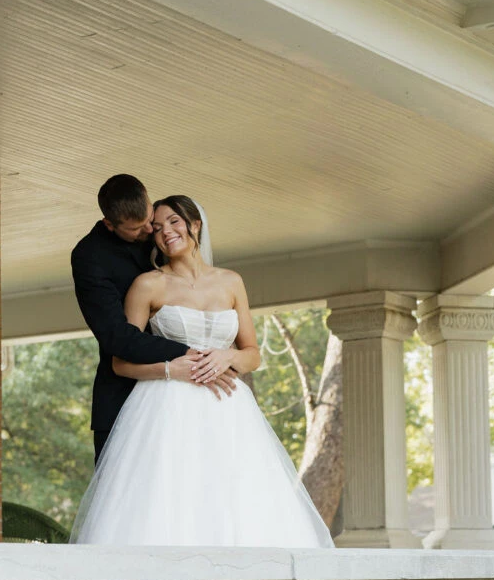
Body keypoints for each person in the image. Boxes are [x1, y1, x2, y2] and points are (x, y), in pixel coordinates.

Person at [70, 194, 334, 548]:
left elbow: (252, 354)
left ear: (195, 225)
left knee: (236, 499)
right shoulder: (147, 285)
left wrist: (228, 358)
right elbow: (120, 361)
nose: (166, 232)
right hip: (164, 407)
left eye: (175, 222)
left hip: (228, 408)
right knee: (170, 501)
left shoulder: (231, 282)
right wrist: (171, 370)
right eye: (158, 227)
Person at [71, 174, 235, 463]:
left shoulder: (161, 235)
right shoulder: (90, 258)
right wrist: (190, 354)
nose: (151, 230)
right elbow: (116, 337)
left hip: (198, 400)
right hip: (124, 395)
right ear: (111, 225)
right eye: (138, 228)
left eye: (151, 219)